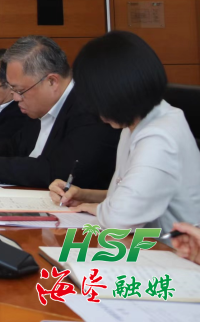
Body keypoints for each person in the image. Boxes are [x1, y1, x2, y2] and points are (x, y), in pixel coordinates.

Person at [48, 31, 200, 233]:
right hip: (143, 241)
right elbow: (128, 195)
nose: (93, 109)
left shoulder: (160, 138)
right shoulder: (138, 121)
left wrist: (98, 209)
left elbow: (120, 217)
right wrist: (85, 196)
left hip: (171, 248)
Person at [0, 35, 119, 189]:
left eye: (20, 90)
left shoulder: (89, 108)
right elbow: (15, 146)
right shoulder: (39, 106)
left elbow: (60, 171)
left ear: (52, 81)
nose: (15, 98)